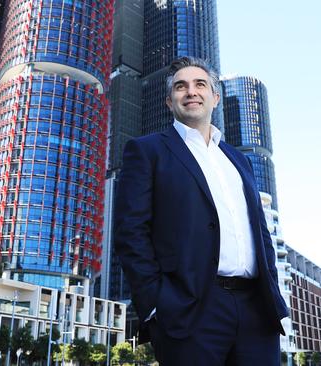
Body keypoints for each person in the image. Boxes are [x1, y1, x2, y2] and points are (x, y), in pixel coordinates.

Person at [114, 56, 289, 366]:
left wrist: (272, 291)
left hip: (256, 311)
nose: (191, 92)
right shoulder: (147, 151)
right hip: (190, 310)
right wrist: (156, 305)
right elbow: (131, 232)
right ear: (169, 101)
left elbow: (261, 233)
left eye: (200, 85)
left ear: (215, 97)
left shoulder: (239, 160)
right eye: (181, 87)